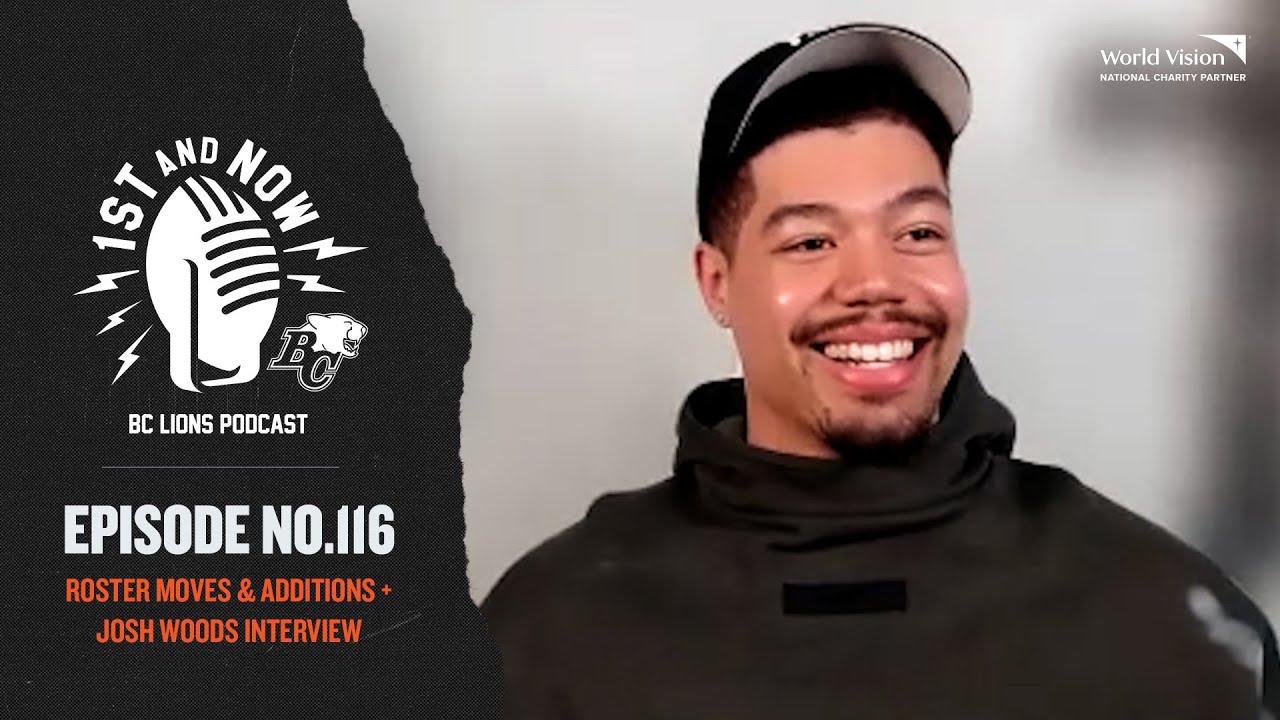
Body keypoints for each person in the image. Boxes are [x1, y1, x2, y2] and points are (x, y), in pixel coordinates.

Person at [481, 23, 1279, 719]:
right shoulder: (555, 631)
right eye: (811, 242)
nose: (876, 282)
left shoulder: (1167, 625)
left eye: (918, 233)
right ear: (716, 283)